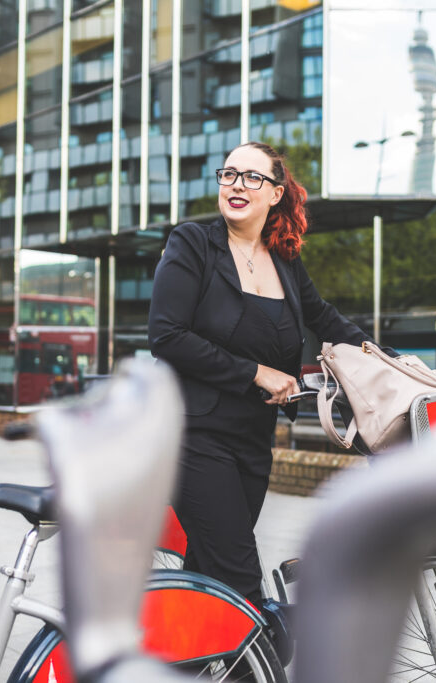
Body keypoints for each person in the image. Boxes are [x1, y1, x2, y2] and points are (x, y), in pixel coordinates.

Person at [148, 141, 398, 609]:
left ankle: (184, 662)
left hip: (253, 440)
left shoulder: (283, 260)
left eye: (252, 177)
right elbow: (166, 335)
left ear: (276, 193)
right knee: (242, 584)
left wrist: (392, 363)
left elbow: (326, 319)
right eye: (229, 174)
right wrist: (256, 372)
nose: (237, 185)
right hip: (193, 437)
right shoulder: (193, 244)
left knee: (211, 576)